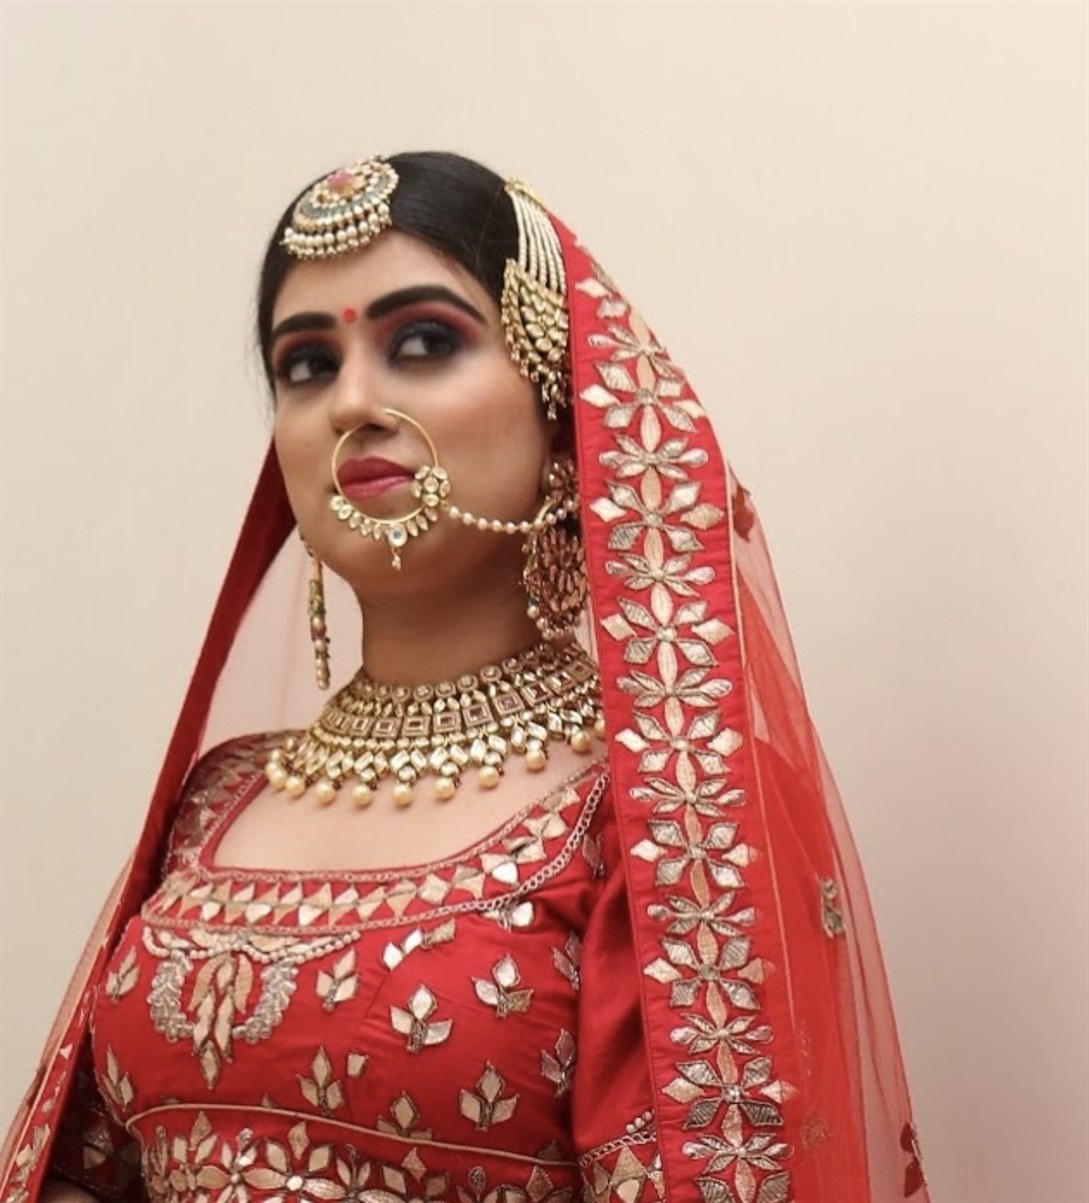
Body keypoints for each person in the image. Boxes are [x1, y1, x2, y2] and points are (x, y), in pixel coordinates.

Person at [1, 152, 930, 1203]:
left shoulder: (660, 809)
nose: (352, 400)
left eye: (424, 343)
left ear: (561, 414)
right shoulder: (217, 800)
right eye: (306, 364)